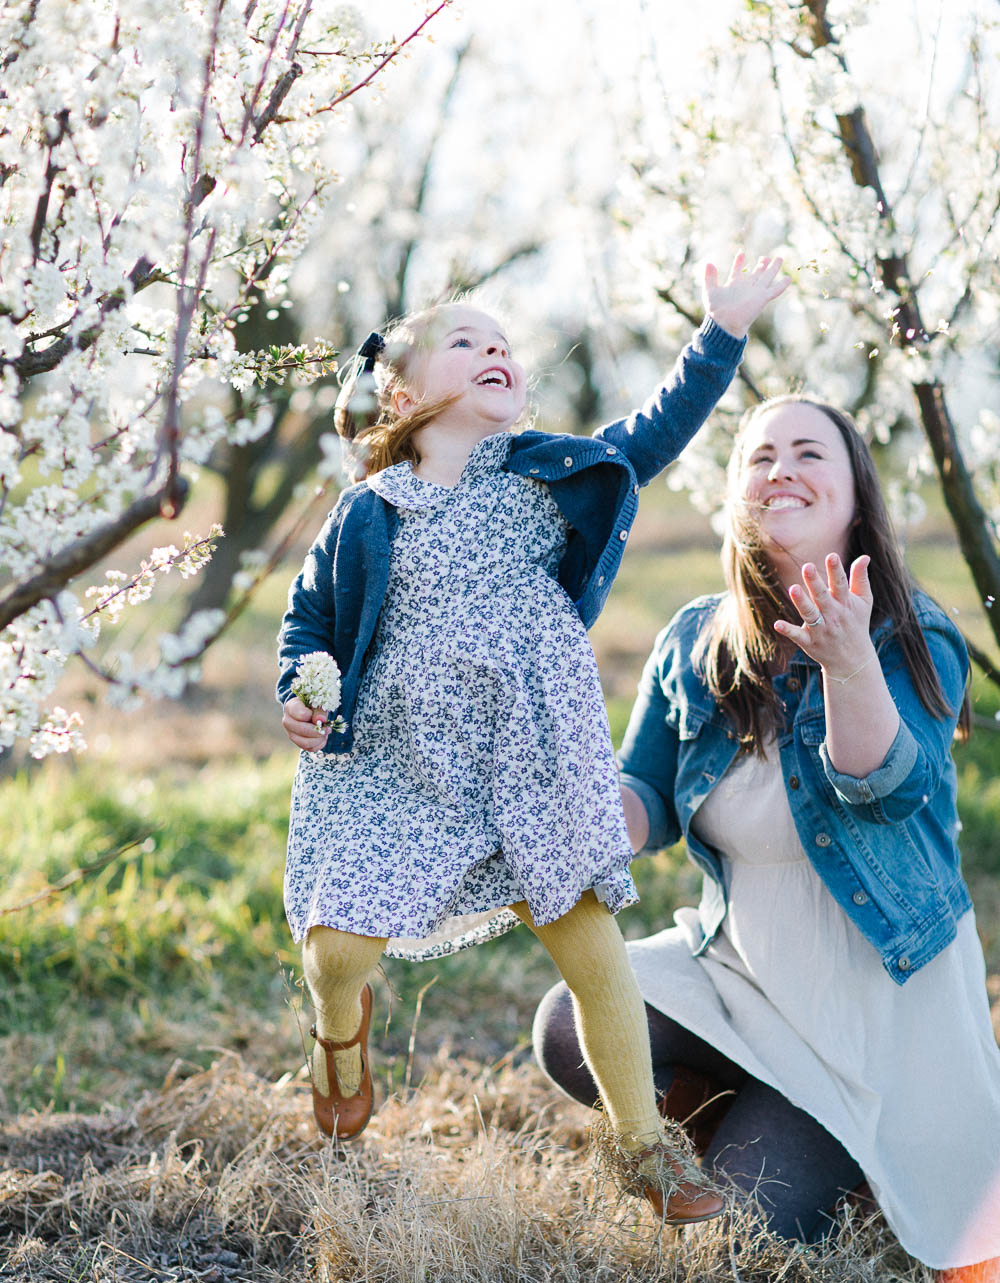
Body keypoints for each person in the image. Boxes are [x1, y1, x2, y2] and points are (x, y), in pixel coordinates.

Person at [276, 256, 788, 1225]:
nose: (495, 352)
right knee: (339, 947)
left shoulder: (550, 475)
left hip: (530, 758)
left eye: (504, 344)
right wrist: (301, 691)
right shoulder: (370, 512)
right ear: (405, 391)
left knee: (594, 947)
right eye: (465, 342)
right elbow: (307, 623)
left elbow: (652, 433)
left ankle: (644, 1143)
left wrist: (719, 334)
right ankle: (338, 1039)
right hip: (403, 760)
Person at [533, 393, 1000, 1267]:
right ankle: (751, 1096)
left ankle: (843, 1149)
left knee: (747, 1238)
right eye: (759, 455)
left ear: (857, 494)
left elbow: (882, 791)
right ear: (737, 493)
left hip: (879, 1011)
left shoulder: (917, 635)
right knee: (570, 1023)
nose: (781, 468)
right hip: (743, 973)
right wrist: (584, 823)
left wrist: (847, 661)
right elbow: (647, 792)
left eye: (809, 453)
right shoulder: (694, 639)